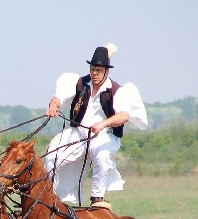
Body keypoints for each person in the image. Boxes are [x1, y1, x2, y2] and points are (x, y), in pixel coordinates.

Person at [45, 44, 148, 209]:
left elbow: (123, 116)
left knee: (101, 155)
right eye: (93, 69)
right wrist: (53, 106)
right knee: (52, 158)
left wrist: (103, 124)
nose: (94, 73)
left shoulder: (116, 91)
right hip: (77, 133)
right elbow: (58, 98)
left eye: (98, 70)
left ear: (107, 71)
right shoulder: (79, 83)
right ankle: (49, 196)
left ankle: (97, 197)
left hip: (103, 135)